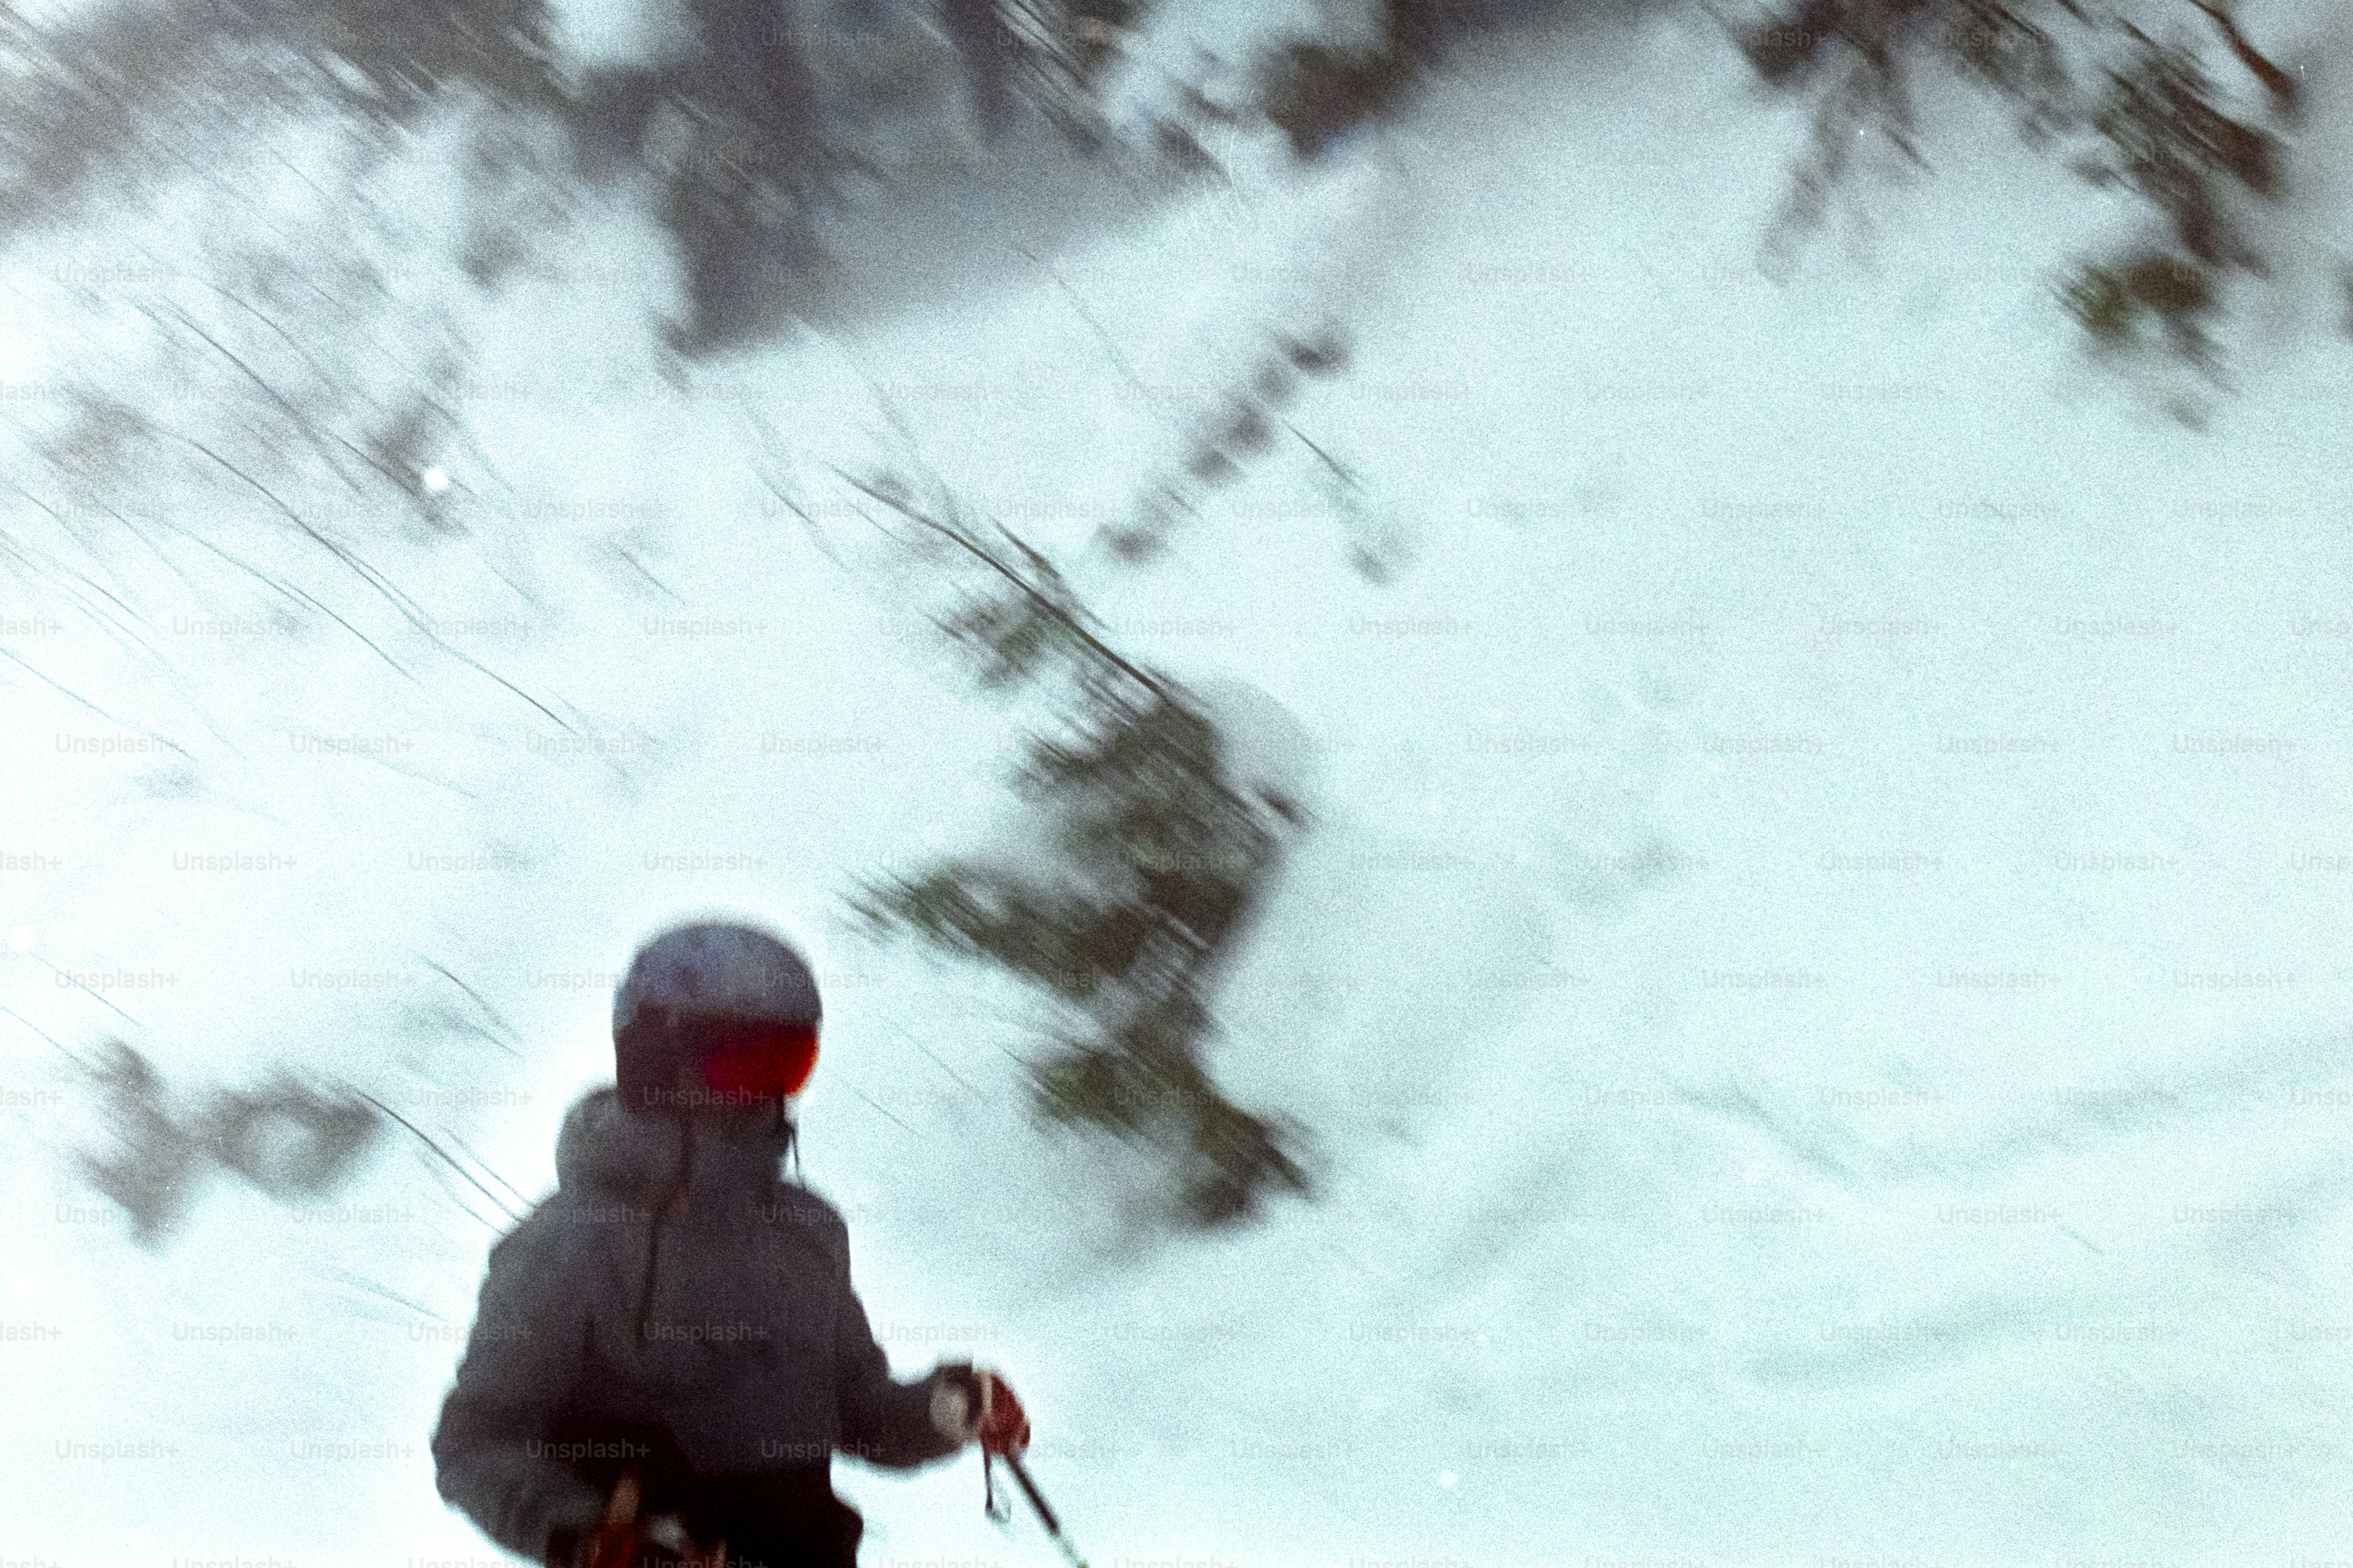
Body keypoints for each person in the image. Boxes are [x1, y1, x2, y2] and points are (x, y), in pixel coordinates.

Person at [432, 920, 1029, 1567]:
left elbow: (857, 1411)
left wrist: (946, 1409)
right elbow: (476, 1441)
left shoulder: (805, 1232)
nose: (769, 1092)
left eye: (790, 1062)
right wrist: (585, 1535)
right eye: (747, 1062)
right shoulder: (569, 1245)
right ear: (658, 1059)